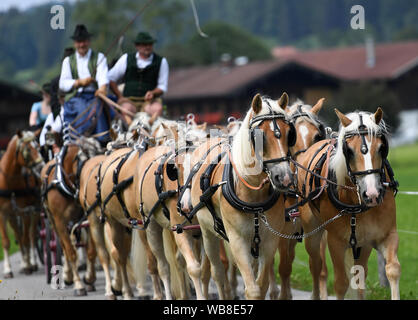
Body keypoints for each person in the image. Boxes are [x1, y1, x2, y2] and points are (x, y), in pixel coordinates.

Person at [59, 24, 113, 143]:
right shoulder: (68, 61)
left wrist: (102, 89)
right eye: (79, 42)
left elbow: (103, 77)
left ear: (88, 42)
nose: (81, 44)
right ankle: (77, 139)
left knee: (98, 106)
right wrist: (78, 82)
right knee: (82, 108)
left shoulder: (99, 57)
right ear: (75, 43)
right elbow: (62, 83)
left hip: (94, 95)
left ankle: (102, 138)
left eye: (84, 41)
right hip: (76, 96)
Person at [108, 31, 169, 115]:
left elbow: (162, 86)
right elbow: (111, 78)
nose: (147, 47)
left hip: (149, 102)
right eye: (144, 45)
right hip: (129, 100)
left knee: (157, 108)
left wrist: (153, 93)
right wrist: (120, 96)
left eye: (150, 44)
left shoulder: (161, 61)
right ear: (137, 46)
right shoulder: (126, 58)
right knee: (126, 109)